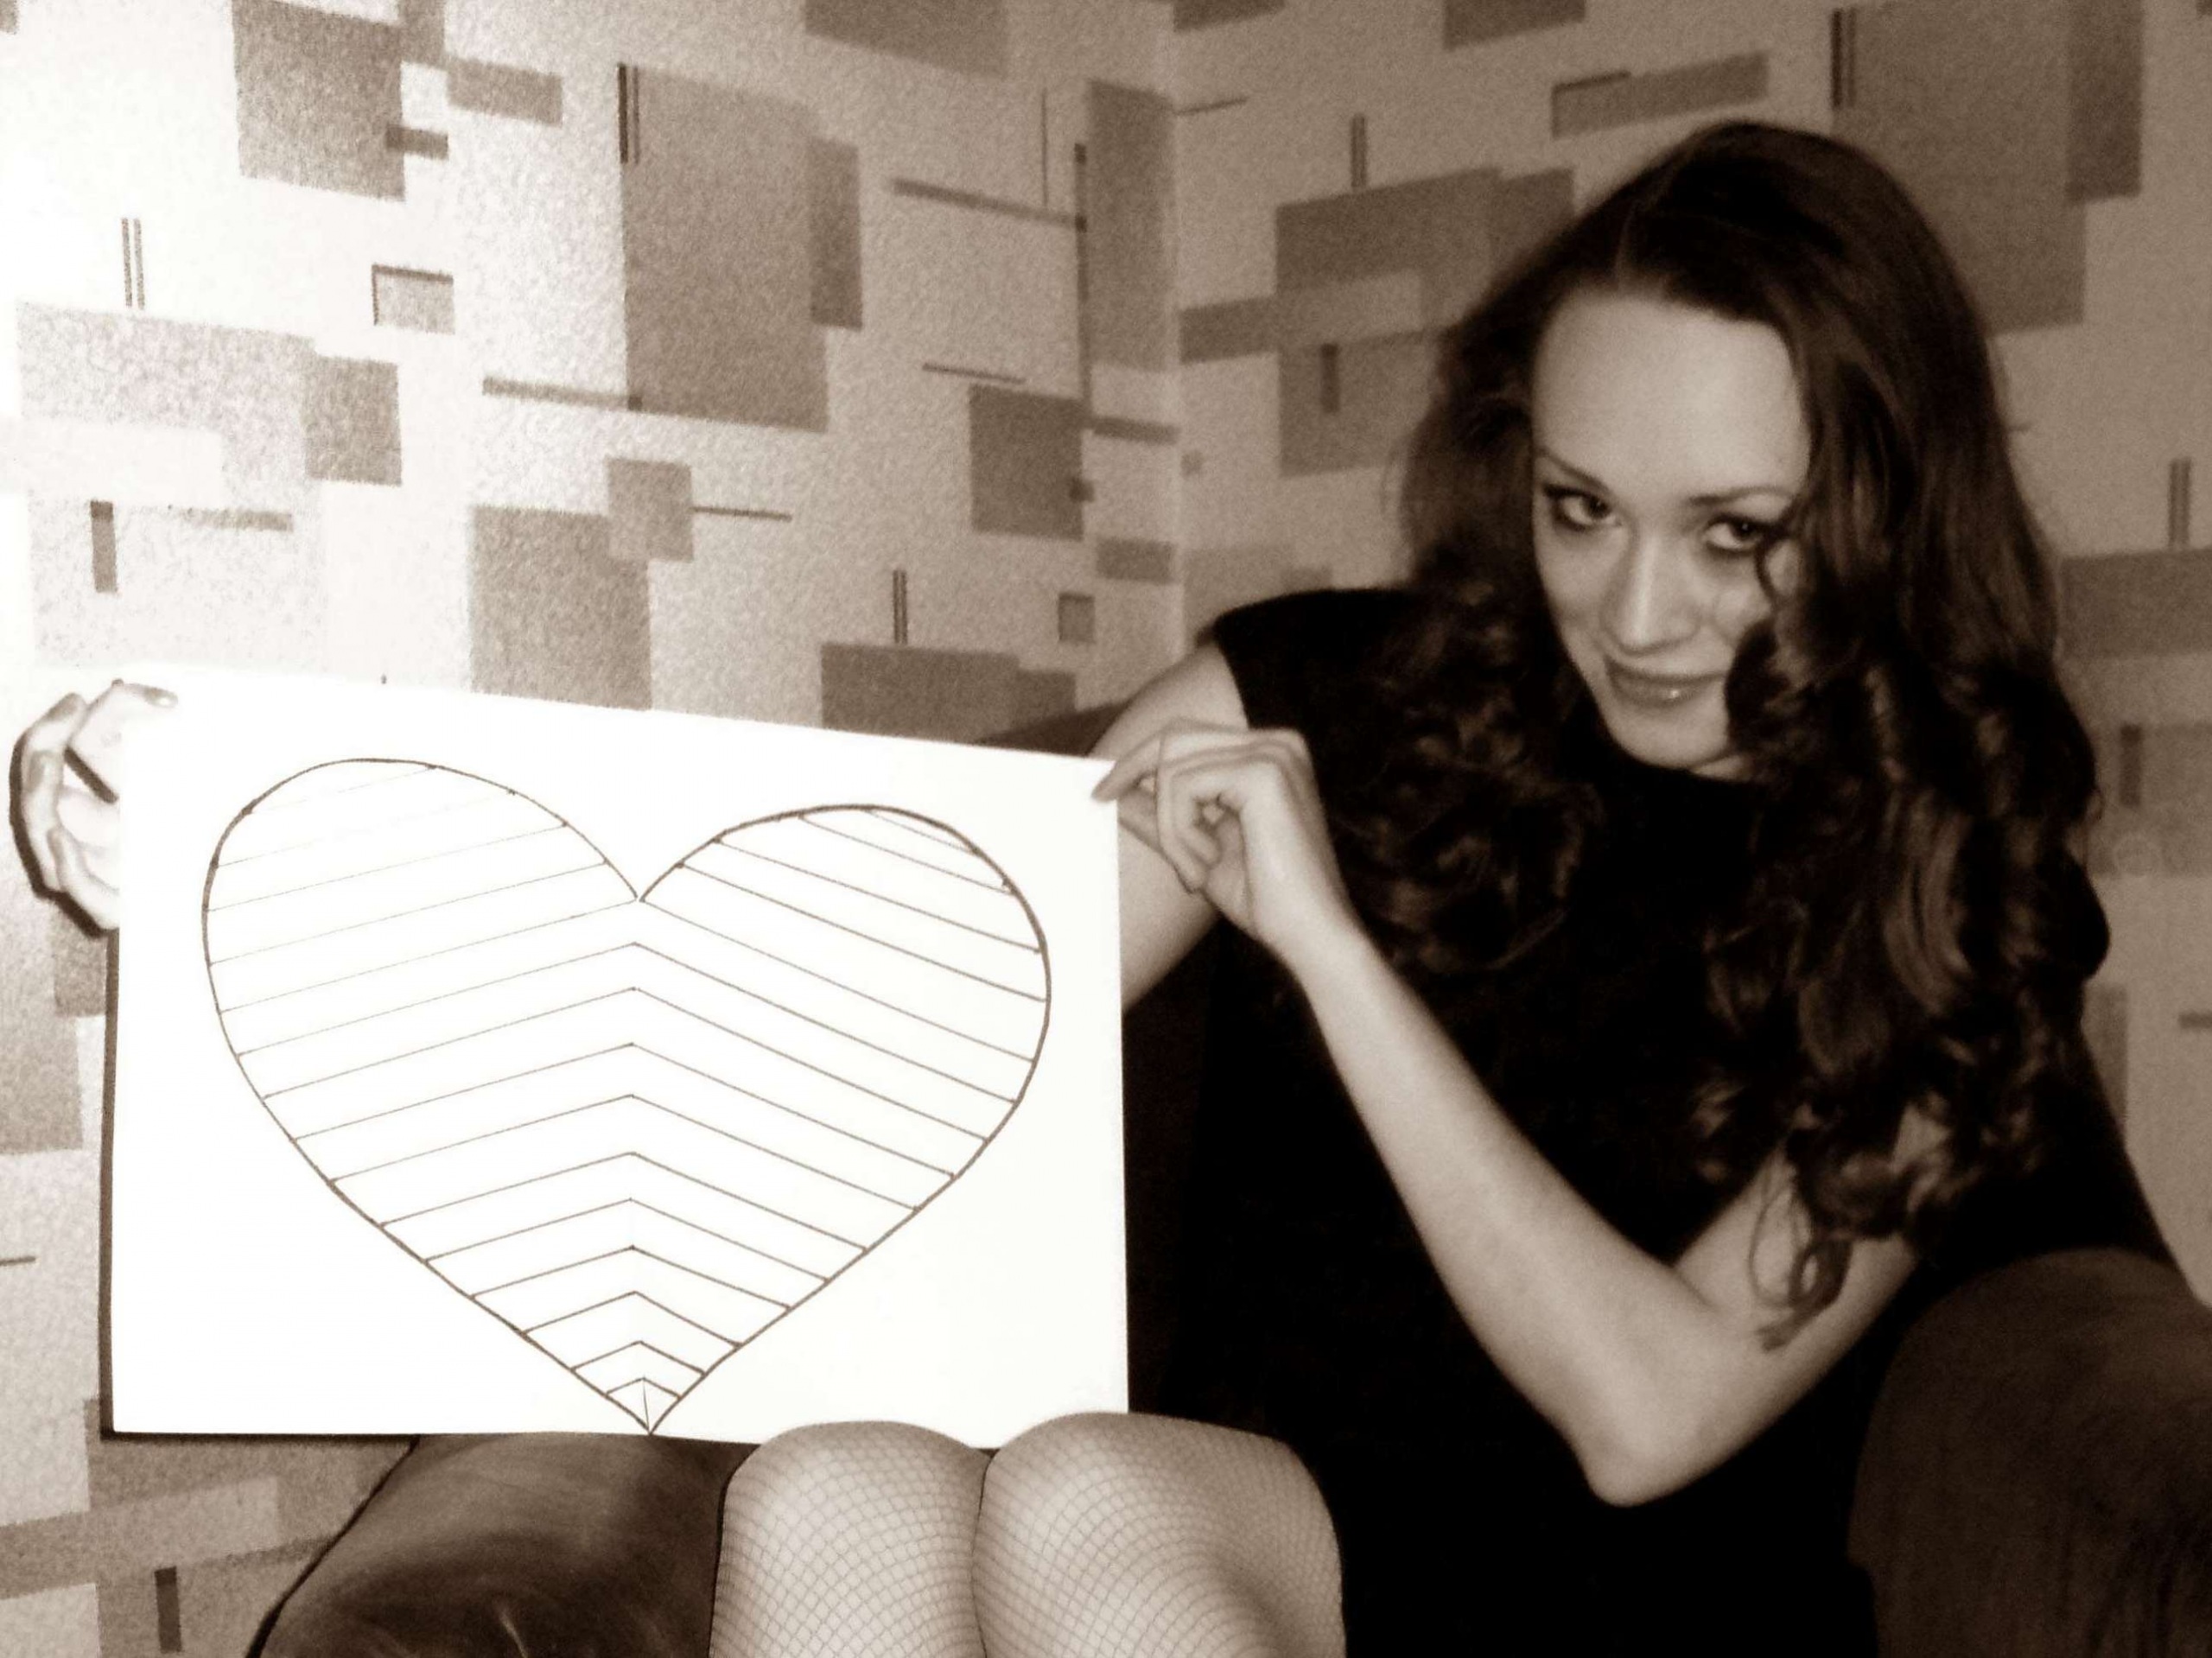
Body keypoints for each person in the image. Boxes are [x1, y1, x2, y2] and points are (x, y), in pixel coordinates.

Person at [16, 122, 2168, 1656]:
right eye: (1577, 505)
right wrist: (234, 870)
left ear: (1878, 512)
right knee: (842, 1484)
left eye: (1734, 533)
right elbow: (852, 1033)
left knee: (1076, 1490)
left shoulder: (1956, 884)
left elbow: (1648, 1418)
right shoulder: (1319, 692)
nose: (1631, 609)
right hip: (1236, 1505)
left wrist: (1326, 949)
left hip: (1611, 1592)